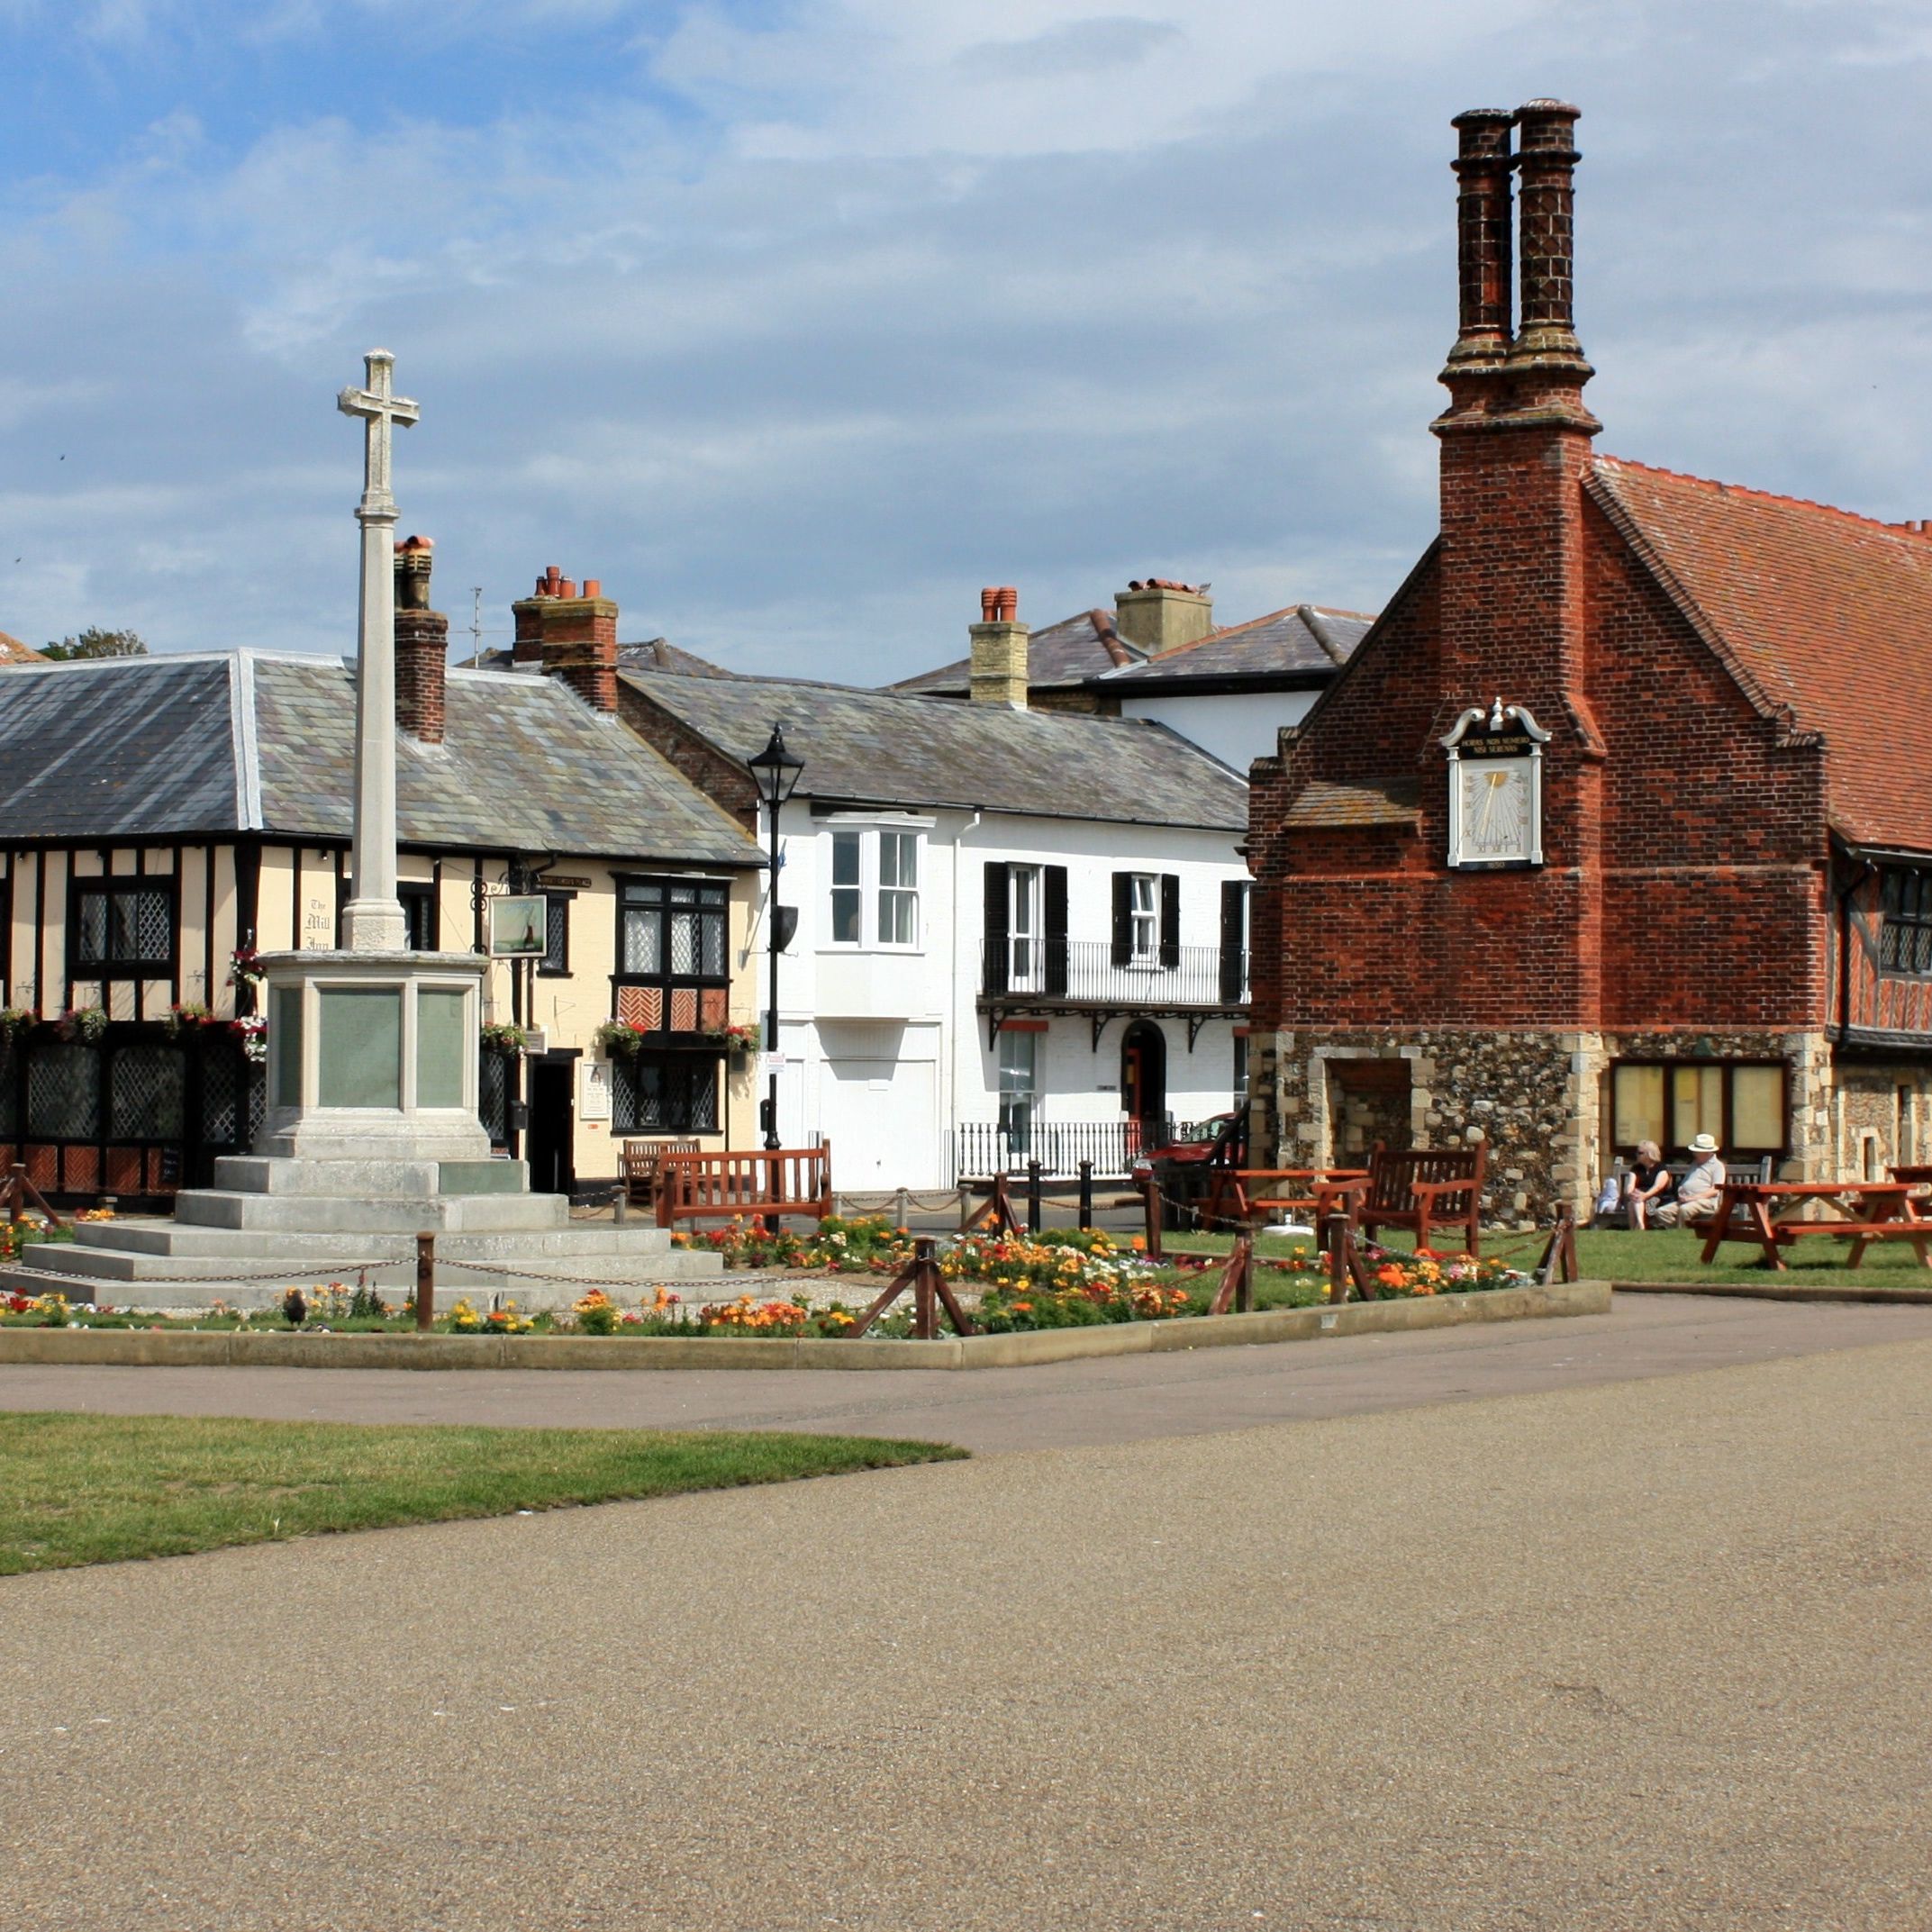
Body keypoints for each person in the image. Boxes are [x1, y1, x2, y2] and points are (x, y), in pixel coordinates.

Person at [1655, 1133, 1726, 1227]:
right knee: (1661, 1212)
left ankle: (1681, 1233)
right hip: (1686, 1200)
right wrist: (1681, 1191)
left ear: (1707, 1152)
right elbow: (1687, 1181)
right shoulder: (1694, 1164)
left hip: (1706, 1201)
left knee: (1684, 1210)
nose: (1694, 1154)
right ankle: (1678, 1232)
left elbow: (1715, 1190)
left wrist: (1693, 1198)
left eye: (1697, 1152)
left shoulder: (1717, 1166)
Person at [1622, 1140, 1673, 1229]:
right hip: (1638, 1198)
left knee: (1635, 1202)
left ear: (1649, 1154)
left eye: (1640, 1153)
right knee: (1633, 1202)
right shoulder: (1636, 1168)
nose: (1637, 1155)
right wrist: (1631, 1193)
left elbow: (1658, 1187)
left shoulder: (1660, 1168)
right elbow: (1630, 1184)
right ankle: (1639, 1225)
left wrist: (1645, 1196)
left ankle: (1637, 1227)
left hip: (1655, 1199)